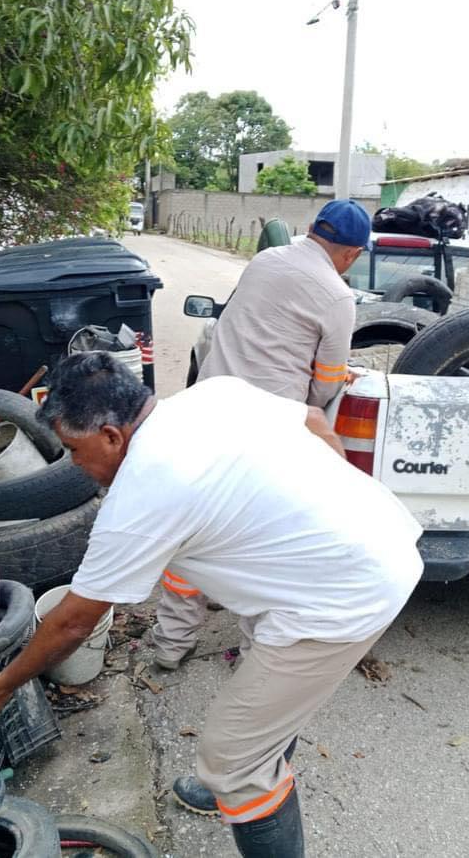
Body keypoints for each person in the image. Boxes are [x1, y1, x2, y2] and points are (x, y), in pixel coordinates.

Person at [0, 352, 422, 858]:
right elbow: (310, 420)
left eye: (74, 447)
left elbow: (73, 622)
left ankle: (242, 774)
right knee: (261, 711)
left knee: (231, 758)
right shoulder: (214, 395)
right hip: (377, 534)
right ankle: (251, 768)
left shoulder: (142, 494)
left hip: (345, 595)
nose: (75, 464)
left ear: (111, 436)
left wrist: (0, 686)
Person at [150, 198, 373, 673]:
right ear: (352, 254)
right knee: (257, 542)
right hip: (265, 434)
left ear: (313, 228)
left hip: (209, 412)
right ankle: (253, 657)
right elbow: (327, 382)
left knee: (192, 530)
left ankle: (171, 644)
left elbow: (258, 329)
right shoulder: (337, 297)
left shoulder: (265, 260)